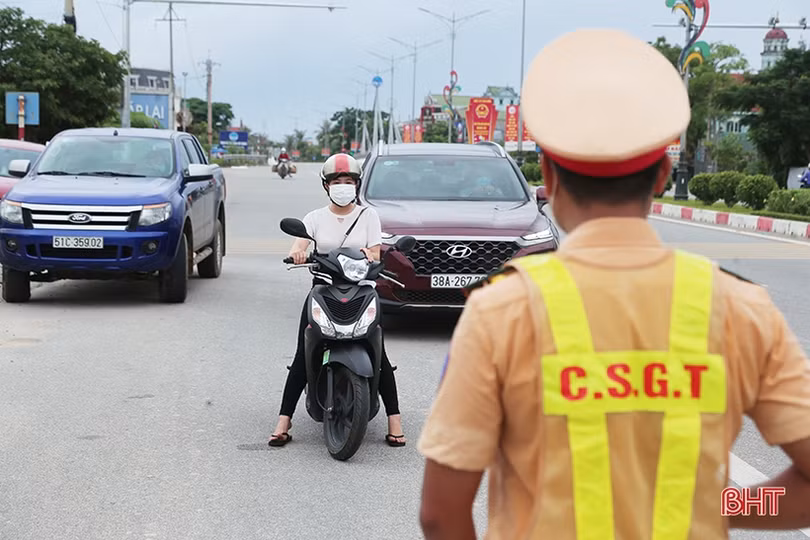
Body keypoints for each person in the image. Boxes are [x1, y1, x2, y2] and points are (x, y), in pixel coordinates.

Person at [417, 28, 810, 539]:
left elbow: (441, 513)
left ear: (550, 178)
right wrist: (722, 505)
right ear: (664, 174)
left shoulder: (501, 310)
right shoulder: (741, 307)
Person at [269, 153, 406, 448]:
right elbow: (299, 244)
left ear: (356, 185)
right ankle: (284, 420)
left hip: (362, 291)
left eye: (348, 181)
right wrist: (299, 253)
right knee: (303, 354)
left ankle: (395, 420)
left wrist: (371, 256)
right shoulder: (315, 218)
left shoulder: (368, 216)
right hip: (324, 290)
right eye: (336, 181)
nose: (342, 186)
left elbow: (376, 252)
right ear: (326, 185)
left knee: (378, 353)